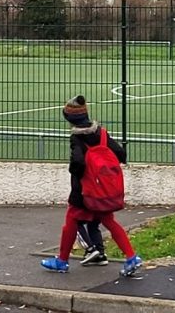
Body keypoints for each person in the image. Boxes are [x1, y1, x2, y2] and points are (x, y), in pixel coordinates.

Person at [40, 96, 143, 277]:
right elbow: (120, 152)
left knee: (71, 222)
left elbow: (78, 162)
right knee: (109, 222)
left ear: (70, 120)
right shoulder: (101, 133)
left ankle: (62, 261)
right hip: (102, 190)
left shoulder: (77, 138)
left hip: (83, 191)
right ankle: (131, 257)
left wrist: (77, 172)